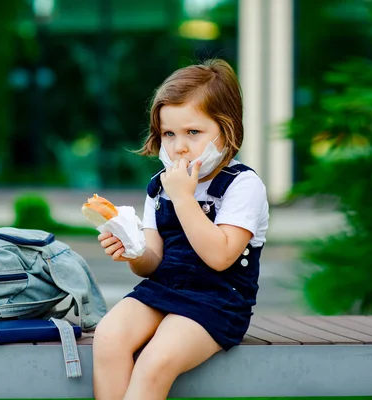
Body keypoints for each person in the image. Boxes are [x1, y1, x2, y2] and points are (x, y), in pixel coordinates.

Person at [92, 59, 270, 400]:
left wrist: (184, 198)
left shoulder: (243, 186)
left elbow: (220, 256)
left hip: (218, 301)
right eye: (168, 134)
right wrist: (133, 251)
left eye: (193, 133)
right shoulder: (160, 186)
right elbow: (153, 261)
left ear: (227, 129)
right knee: (109, 337)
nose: (179, 147)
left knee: (155, 361)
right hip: (164, 290)